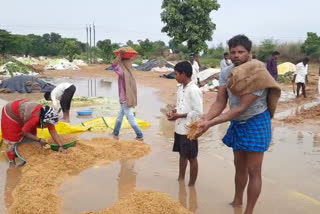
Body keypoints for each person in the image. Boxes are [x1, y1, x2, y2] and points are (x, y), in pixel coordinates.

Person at [196, 35, 280, 214]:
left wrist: (210, 123)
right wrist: (205, 118)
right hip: (237, 122)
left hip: (256, 120)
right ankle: (237, 201)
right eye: (233, 52)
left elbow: (241, 107)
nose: (236, 55)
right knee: (239, 166)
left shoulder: (257, 71)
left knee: (254, 170)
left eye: (241, 52)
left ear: (249, 53)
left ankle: (248, 211)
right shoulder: (226, 72)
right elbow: (219, 102)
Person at [167, 61, 203, 186]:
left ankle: (191, 185)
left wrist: (180, 115)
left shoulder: (194, 90)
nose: (175, 76)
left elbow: (198, 112)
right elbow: (180, 105)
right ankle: (180, 179)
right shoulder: (180, 88)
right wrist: (174, 112)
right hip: (179, 128)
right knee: (182, 155)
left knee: (192, 157)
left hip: (189, 129)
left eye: (176, 74)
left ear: (183, 74)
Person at [1, 99, 67, 165]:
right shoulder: (35, 118)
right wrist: (39, 139)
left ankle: (27, 155)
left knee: (32, 133)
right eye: (47, 123)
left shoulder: (48, 117)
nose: (49, 125)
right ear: (43, 119)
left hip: (23, 113)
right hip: (10, 113)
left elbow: (54, 133)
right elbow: (24, 132)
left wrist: (61, 146)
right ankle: (11, 161)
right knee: (12, 138)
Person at [112, 48, 143, 141]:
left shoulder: (123, 73)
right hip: (127, 98)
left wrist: (119, 56)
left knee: (130, 116)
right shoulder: (130, 73)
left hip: (124, 98)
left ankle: (139, 134)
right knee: (120, 115)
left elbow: (114, 65)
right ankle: (115, 132)